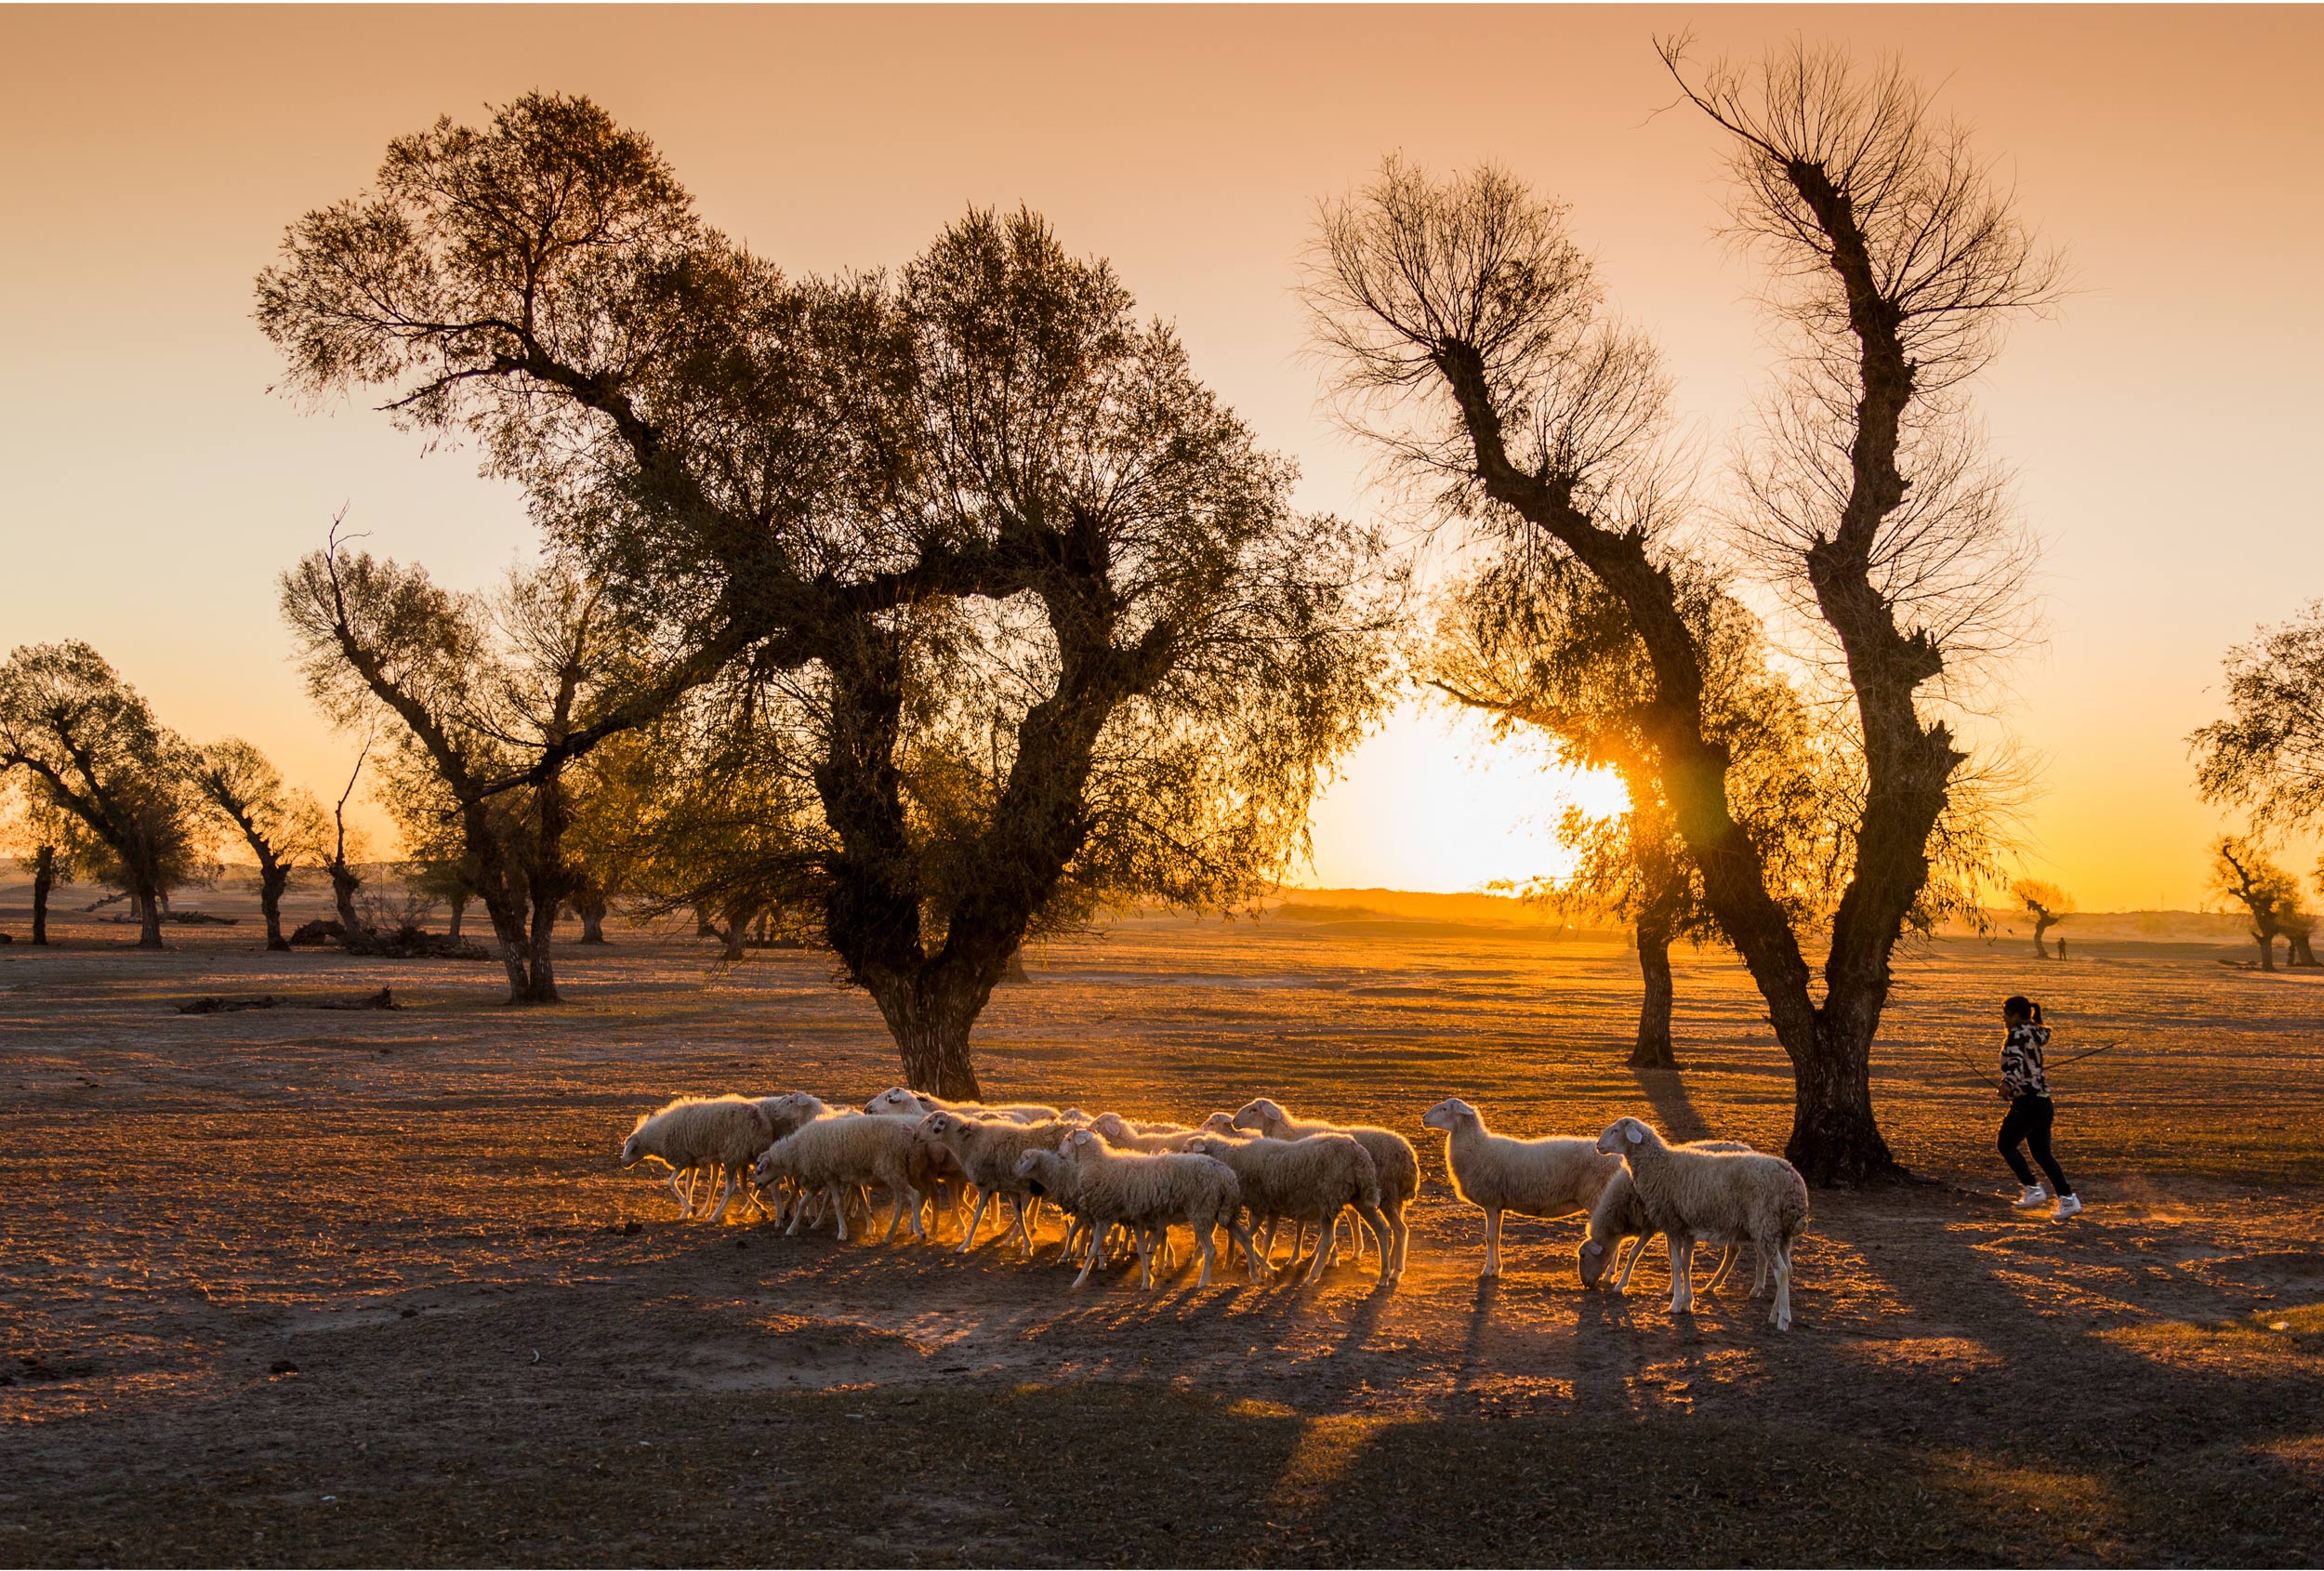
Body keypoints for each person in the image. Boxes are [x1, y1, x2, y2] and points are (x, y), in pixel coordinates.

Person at [1998, 995, 2080, 1219]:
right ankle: (2068, 1199)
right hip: (2044, 1102)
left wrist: (2006, 1085)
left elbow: (2015, 1066)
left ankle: (2032, 1189)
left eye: (2005, 1012)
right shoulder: (2035, 1033)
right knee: (2042, 1154)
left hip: (2027, 1103)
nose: (2003, 1017)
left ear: (2016, 1015)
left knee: (2005, 1144)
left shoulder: (2015, 1037)